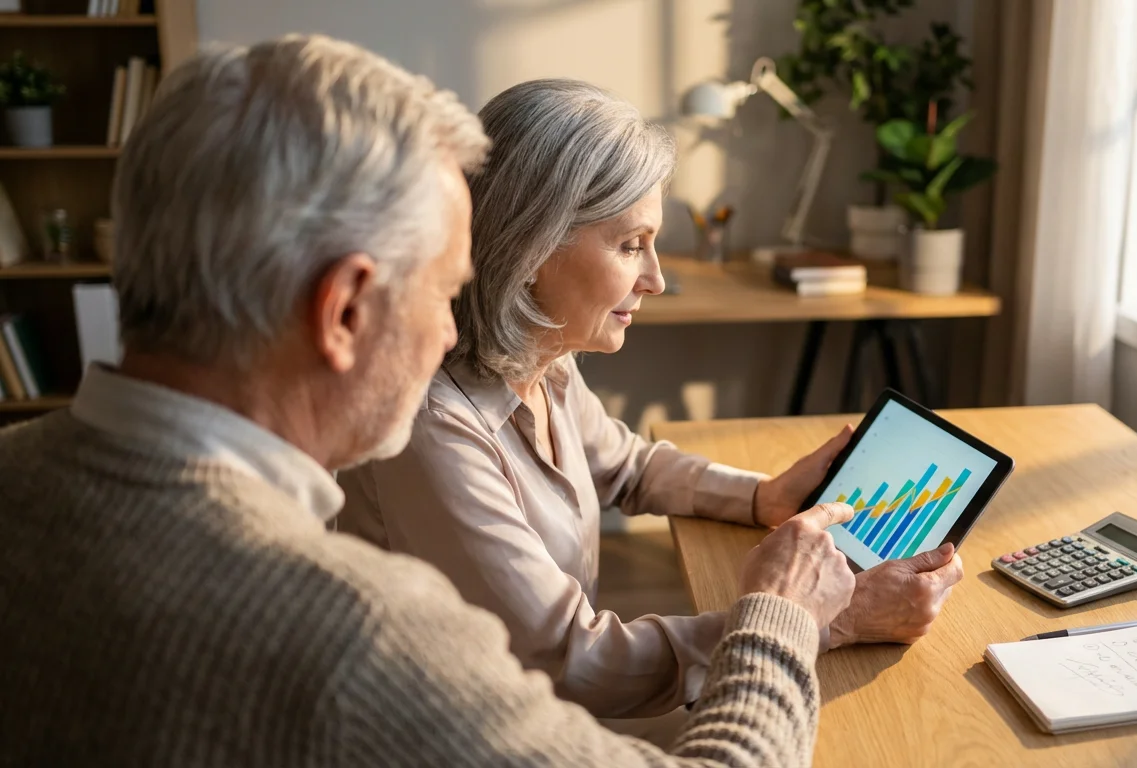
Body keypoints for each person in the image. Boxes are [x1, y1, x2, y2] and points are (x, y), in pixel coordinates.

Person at [0, 35, 860, 767]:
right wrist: (781, 619)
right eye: (442, 292)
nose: (453, 336)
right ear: (344, 312)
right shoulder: (363, 639)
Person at [336, 79, 966, 726]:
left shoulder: (541, 355)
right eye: (631, 244)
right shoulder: (434, 427)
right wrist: (830, 618)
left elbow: (628, 466)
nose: (656, 278)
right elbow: (576, 663)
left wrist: (760, 496)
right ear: (530, 246)